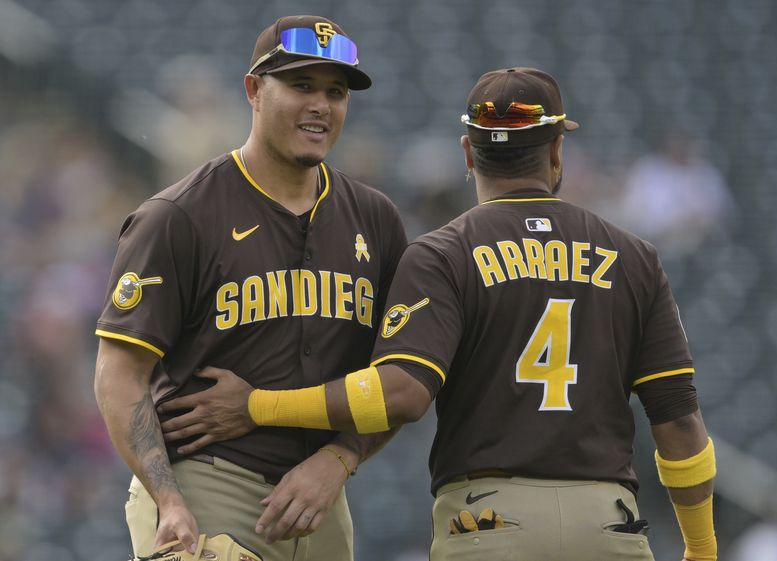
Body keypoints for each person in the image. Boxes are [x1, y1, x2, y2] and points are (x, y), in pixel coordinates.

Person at [160, 68, 718, 560]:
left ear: (469, 153)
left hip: (489, 522)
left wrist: (259, 405)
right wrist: (701, 549)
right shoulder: (636, 258)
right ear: (555, 152)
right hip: (608, 524)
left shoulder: (442, 252)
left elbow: (401, 393)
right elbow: (679, 423)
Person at [93, 14, 407, 561]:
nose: (321, 105)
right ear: (254, 90)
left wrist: (341, 459)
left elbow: (401, 381)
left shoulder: (374, 219)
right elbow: (119, 375)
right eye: (301, 85)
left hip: (323, 498)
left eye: (336, 92)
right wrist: (168, 499)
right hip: (208, 485)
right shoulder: (179, 216)